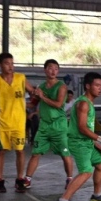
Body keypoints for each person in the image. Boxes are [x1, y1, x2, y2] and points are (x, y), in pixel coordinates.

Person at [53, 72, 101, 201]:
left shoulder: (88, 102)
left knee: (100, 164)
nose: (100, 88)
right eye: (97, 85)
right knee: (86, 171)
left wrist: (94, 142)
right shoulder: (83, 104)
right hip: (79, 143)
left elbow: (87, 127)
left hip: (87, 141)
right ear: (88, 86)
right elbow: (82, 128)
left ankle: (97, 196)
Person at [0, 52, 36, 193]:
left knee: (20, 151)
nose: (10, 66)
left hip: (19, 123)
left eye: (12, 63)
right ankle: (0, 181)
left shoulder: (21, 78)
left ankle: (19, 179)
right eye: (7, 63)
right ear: (0, 65)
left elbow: (33, 92)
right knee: (1, 151)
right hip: (2, 124)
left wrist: (36, 93)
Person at [24, 59, 74, 190]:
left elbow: (58, 104)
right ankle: (27, 180)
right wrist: (17, 103)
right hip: (44, 126)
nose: (53, 71)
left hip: (59, 126)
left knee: (65, 153)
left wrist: (42, 96)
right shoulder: (41, 87)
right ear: (45, 70)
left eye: (56, 69)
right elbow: (33, 104)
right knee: (35, 153)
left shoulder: (62, 86)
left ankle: (70, 179)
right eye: (51, 68)